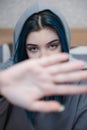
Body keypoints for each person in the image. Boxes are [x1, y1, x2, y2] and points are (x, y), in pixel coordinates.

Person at [0, 2, 87, 130]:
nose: (44, 58)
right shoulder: (8, 78)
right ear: (24, 51)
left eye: (53, 46)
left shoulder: (81, 83)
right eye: (33, 49)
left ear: (63, 45)